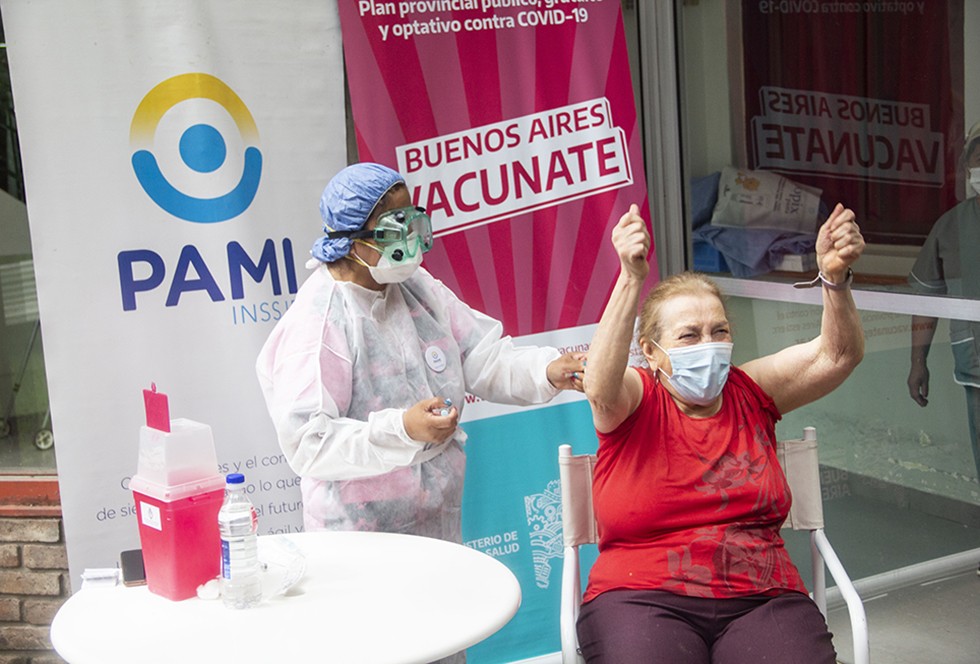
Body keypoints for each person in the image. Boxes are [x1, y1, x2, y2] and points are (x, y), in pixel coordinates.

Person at [576, 202, 865, 663]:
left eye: (719, 331)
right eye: (689, 336)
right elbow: (600, 389)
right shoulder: (637, 396)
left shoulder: (750, 391)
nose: (709, 346)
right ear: (651, 352)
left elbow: (837, 356)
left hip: (762, 594)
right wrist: (631, 278)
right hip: (641, 593)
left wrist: (833, 279)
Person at [256, 162, 585, 544]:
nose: (409, 240)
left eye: (413, 223)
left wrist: (546, 369)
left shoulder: (415, 287)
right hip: (359, 535)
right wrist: (402, 430)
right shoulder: (320, 321)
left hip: (436, 518)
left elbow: (481, 356)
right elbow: (308, 443)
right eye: (395, 229)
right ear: (353, 240)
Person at [908, 121, 980, 484]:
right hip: (977, 370)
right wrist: (917, 361)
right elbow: (926, 296)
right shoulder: (951, 227)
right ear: (968, 165)